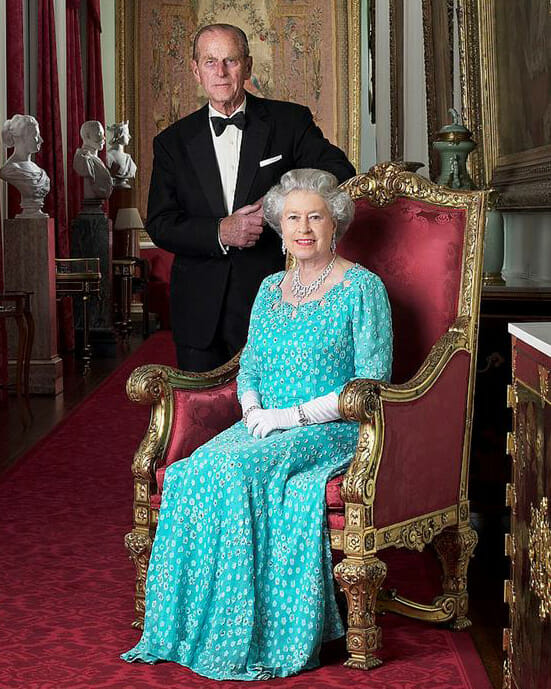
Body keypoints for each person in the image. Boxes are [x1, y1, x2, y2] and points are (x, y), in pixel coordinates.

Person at [122, 169, 393, 680]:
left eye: (315, 215)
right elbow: (250, 367)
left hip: (328, 429)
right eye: (293, 217)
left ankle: (241, 633)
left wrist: (288, 417)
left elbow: (370, 385)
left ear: (335, 222)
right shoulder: (270, 288)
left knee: (228, 473)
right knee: (185, 472)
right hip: (263, 425)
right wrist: (252, 411)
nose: (304, 227)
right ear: (279, 225)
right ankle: (181, 626)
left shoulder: (363, 288)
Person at [146, 23, 356, 372]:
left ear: (248, 65)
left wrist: (279, 200)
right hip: (198, 311)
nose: (221, 71)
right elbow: (160, 223)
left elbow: (339, 170)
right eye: (210, 61)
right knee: (205, 420)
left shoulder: (289, 121)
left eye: (230, 60)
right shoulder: (171, 142)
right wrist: (219, 232)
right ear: (196, 71)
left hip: (277, 301)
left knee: (272, 418)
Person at [0, 114, 50, 218]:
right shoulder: (10, 170)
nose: (41, 140)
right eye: (36, 135)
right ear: (20, 138)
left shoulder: (40, 171)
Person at [73, 120, 113, 206]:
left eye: (103, 134)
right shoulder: (82, 158)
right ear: (87, 136)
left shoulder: (97, 160)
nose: (103, 138)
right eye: (99, 134)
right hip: (90, 204)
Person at [106, 120, 137, 188]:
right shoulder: (108, 156)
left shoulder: (128, 158)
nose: (129, 136)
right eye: (126, 134)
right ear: (119, 135)